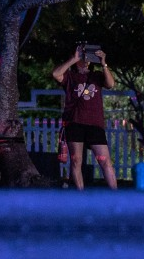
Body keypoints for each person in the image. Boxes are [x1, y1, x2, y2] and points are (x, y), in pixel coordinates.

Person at [51, 45, 118, 190]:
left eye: (88, 56)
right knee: (76, 160)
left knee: (105, 161)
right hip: (74, 122)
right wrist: (73, 59)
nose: (86, 59)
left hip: (95, 124)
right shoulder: (69, 76)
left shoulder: (97, 76)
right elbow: (56, 74)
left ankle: (116, 194)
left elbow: (111, 84)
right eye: (83, 56)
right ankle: (81, 195)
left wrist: (104, 63)